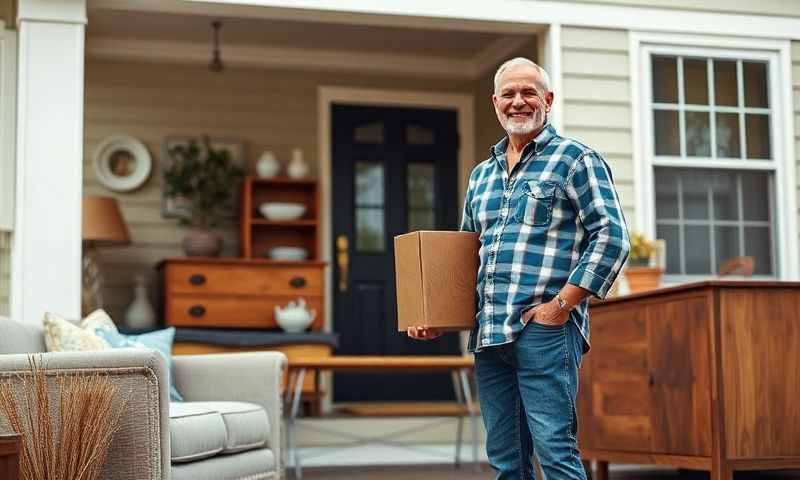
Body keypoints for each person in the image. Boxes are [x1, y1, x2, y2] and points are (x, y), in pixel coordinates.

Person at [407, 57, 630, 479]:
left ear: (548, 100)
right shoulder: (481, 176)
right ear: (495, 103)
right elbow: (465, 254)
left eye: (529, 92)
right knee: (507, 462)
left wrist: (560, 306)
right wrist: (435, 315)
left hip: (543, 332)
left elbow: (612, 237)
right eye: (509, 93)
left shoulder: (576, 160)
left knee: (556, 454)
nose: (518, 102)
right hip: (489, 336)